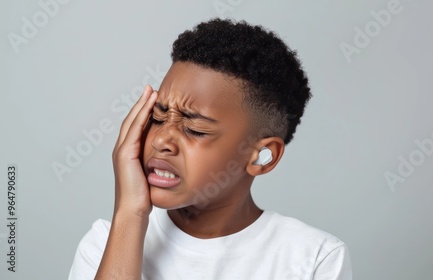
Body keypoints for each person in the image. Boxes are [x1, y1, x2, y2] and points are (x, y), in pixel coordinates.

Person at [68, 18, 352, 280]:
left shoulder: (315, 258)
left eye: (195, 130)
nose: (160, 141)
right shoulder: (108, 241)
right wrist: (130, 213)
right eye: (157, 117)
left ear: (262, 157)